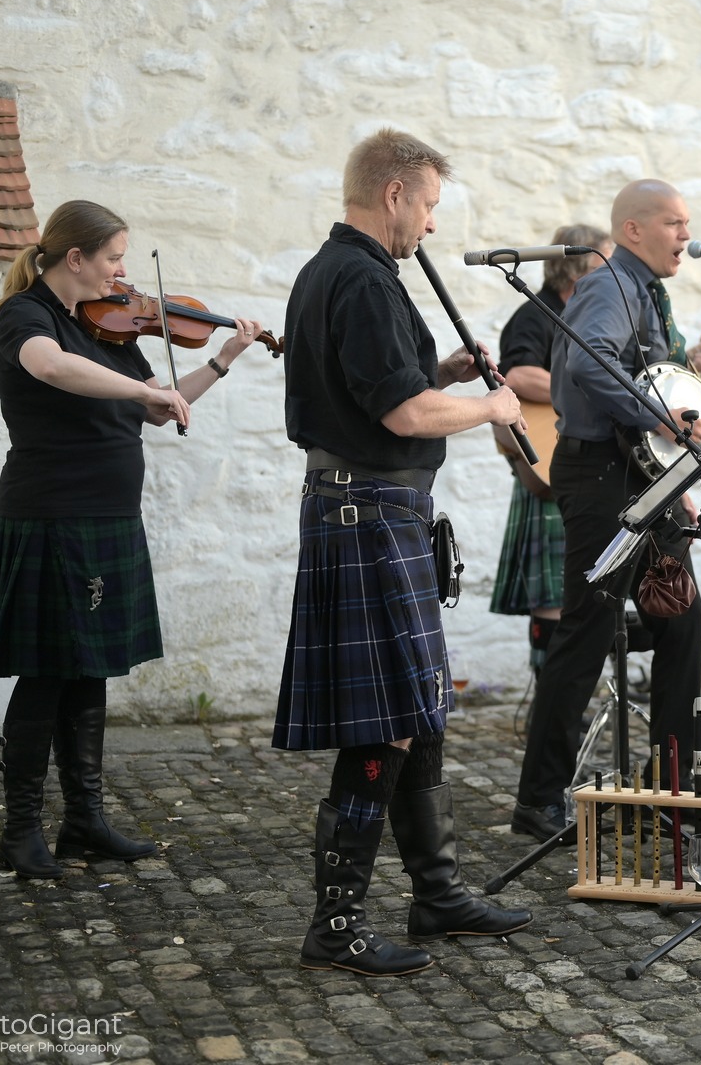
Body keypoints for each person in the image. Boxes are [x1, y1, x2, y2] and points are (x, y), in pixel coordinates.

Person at [275, 128, 531, 977]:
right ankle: (336, 924)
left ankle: (438, 894)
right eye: (425, 206)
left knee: (417, 714)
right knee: (385, 723)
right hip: (367, 511)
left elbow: (389, 392)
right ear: (393, 194)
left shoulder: (336, 273)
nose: (427, 225)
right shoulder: (360, 278)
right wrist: (490, 409)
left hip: (366, 509)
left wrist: (446, 371)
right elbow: (402, 418)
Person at [0, 199, 264, 880]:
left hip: (108, 517)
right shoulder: (28, 317)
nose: (124, 273)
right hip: (51, 516)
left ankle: (85, 822)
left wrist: (221, 359)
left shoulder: (113, 330)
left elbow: (163, 407)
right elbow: (50, 369)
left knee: (90, 669)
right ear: (76, 258)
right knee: (45, 676)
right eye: (114, 258)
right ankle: (19, 831)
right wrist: (135, 395)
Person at [510, 178, 701, 842]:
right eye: (673, 222)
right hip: (600, 475)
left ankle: (672, 791)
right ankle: (538, 800)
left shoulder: (648, 294)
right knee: (587, 632)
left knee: (681, 618)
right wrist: (664, 417)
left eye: (687, 224)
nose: (686, 235)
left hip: (640, 475)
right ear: (633, 229)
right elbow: (590, 367)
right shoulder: (608, 282)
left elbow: (643, 378)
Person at [489, 224, 613, 674]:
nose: (614, 271)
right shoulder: (535, 315)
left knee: (582, 590)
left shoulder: (586, 317)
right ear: (582, 268)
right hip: (548, 463)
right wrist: (585, 387)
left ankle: (576, 693)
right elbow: (518, 376)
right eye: (607, 261)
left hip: (587, 464)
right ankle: (551, 692)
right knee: (552, 595)